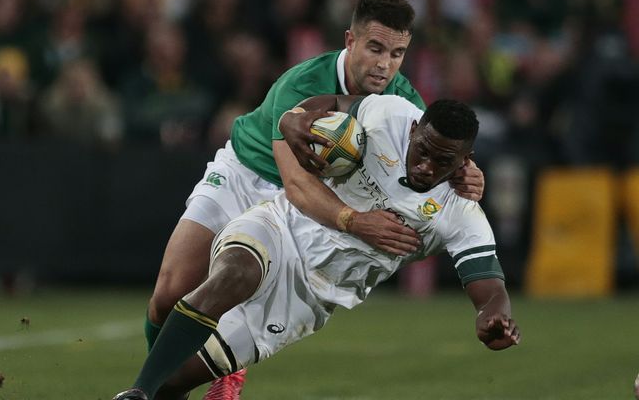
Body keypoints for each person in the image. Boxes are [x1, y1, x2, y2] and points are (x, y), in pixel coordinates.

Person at [143, 0, 485, 398]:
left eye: (397, 53)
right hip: (248, 173)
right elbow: (296, 184)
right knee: (169, 292)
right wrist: (354, 222)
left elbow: (434, 156)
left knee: (236, 281)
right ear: (350, 41)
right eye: (375, 48)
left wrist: (469, 174)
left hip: (302, 204)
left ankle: (198, 376)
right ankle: (165, 388)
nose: (384, 64)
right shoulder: (303, 83)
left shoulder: (404, 101)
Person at [113, 95, 520, 400]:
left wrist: (493, 317)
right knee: (234, 271)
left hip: (312, 293)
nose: (426, 166)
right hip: (285, 224)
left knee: (179, 378)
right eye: (423, 150)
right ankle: (136, 393)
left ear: (466, 160)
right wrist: (297, 118)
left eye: (443, 162)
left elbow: (489, 286)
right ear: (414, 130)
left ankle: (155, 391)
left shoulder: (461, 214)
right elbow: (337, 101)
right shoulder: (389, 114)